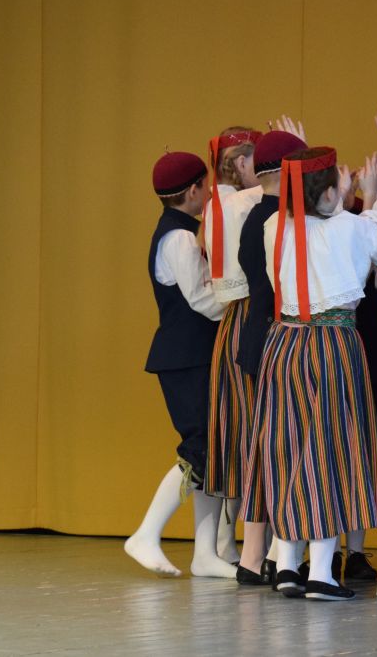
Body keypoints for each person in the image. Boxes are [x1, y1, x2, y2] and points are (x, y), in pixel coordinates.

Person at [256, 146, 377, 601]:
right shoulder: (350, 227)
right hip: (331, 346)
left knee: (289, 447)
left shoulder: (274, 226)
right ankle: (322, 573)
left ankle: (287, 565)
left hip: (283, 343)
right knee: (330, 450)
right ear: (329, 192)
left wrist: (337, 198)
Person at [124, 151, 235, 579]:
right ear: (193, 191)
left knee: (212, 453)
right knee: (200, 447)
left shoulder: (183, 232)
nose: (209, 193)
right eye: (206, 186)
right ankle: (146, 533)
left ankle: (205, 554)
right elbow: (203, 300)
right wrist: (241, 299)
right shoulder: (179, 238)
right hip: (185, 357)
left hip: (194, 355)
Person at [233, 127, 309, 586]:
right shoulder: (282, 219)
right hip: (280, 341)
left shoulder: (254, 216)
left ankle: (257, 554)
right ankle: (279, 555)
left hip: (256, 338)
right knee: (286, 446)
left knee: (266, 445)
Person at [202, 127, 264, 564]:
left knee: (234, 426)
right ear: (242, 163)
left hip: (230, 322)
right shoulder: (247, 202)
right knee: (255, 426)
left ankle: (228, 542)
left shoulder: (214, 205)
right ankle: (257, 545)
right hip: (251, 316)